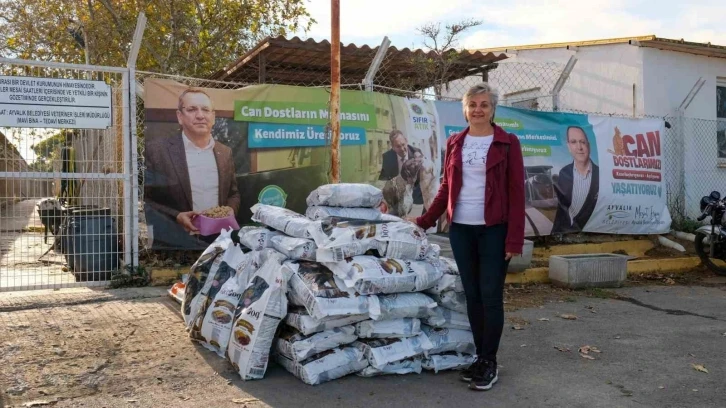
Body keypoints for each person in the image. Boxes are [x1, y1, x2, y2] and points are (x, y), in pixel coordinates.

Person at [409, 83, 525, 391]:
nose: (478, 109)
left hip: (494, 230)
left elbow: (516, 193)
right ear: (465, 109)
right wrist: (424, 220)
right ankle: (479, 356)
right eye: (472, 104)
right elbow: (446, 187)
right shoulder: (455, 142)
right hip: (461, 229)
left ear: (492, 109)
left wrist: (514, 239)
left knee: (490, 295)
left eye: (484, 104)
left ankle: (489, 361)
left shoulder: (507, 143)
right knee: (472, 295)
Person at [144, 88, 240, 248]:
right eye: (192, 109)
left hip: (219, 241)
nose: (200, 115)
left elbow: (233, 193)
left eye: (205, 110)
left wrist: (229, 211)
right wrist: (176, 216)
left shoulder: (225, 152)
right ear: (180, 117)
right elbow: (146, 200)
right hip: (175, 242)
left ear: (213, 117)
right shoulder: (157, 150)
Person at [551, 126, 599, 234]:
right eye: (573, 142)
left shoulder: (601, 175)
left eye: (582, 142)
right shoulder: (564, 173)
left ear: (588, 145)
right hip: (564, 234)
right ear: (568, 147)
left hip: (592, 235)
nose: (579, 147)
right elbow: (561, 210)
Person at [379, 130, 423, 209]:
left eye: (403, 144)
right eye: (398, 146)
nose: (402, 149)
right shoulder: (387, 157)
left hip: (416, 199)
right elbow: (384, 179)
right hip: (396, 200)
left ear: (406, 141)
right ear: (392, 147)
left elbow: (422, 179)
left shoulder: (417, 153)